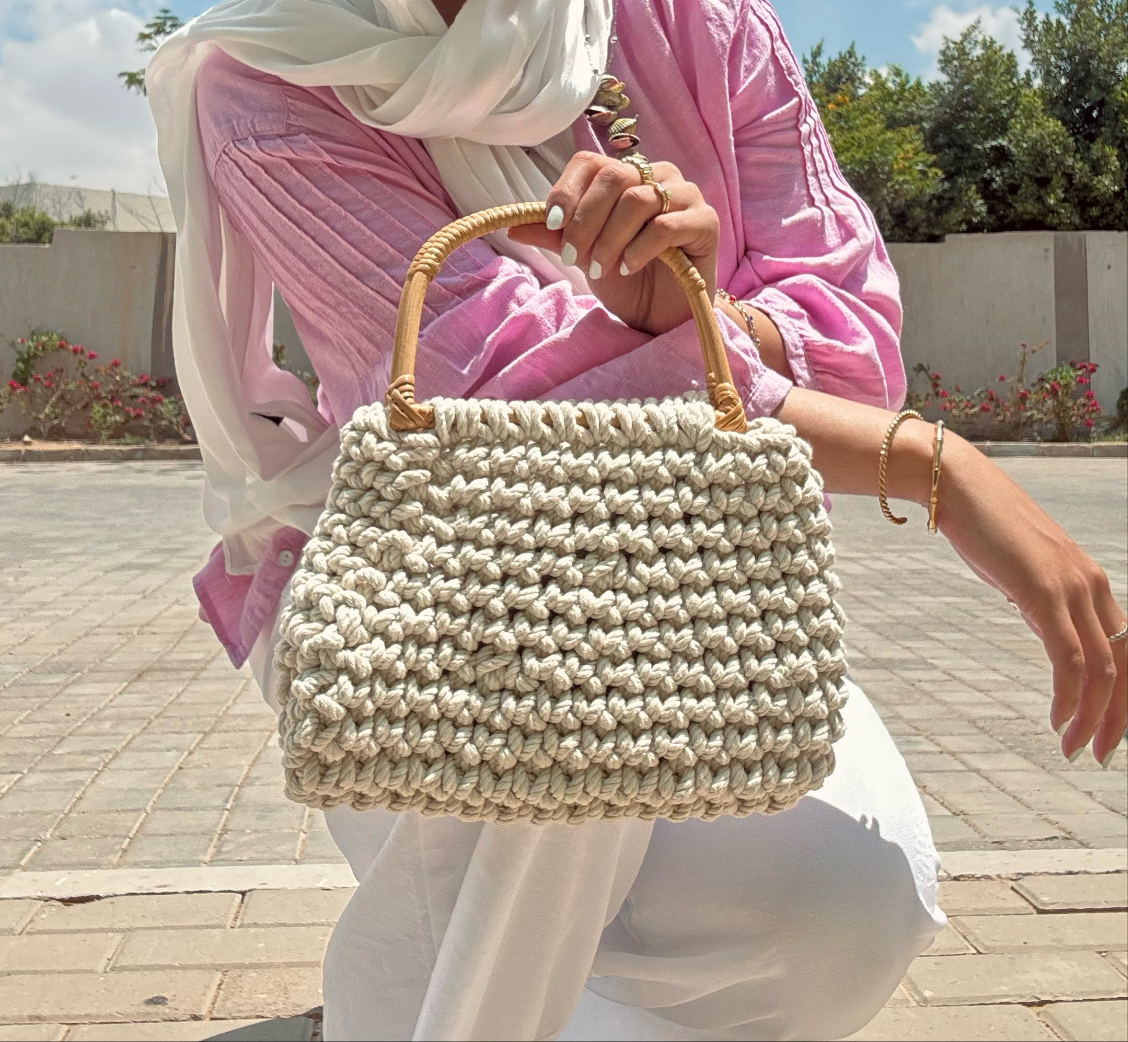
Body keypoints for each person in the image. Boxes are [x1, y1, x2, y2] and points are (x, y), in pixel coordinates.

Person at [147, 2, 1127, 1039]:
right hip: (418, 579)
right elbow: (504, 399)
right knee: (556, 748)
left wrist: (702, 319)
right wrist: (928, 462)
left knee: (843, 898)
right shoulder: (272, 74)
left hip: (676, 561)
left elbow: (856, 343)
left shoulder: (690, 22)